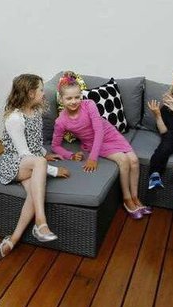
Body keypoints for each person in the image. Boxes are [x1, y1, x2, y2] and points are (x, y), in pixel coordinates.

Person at [51, 72, 151, 219]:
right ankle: (127, 199)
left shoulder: (89, 105)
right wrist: (70, 155)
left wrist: (92, 158)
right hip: (92, 143)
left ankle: (135, 197)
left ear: (81, 96)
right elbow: (55, 146)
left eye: (77, 97)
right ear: (61, 99)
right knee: (123, 160)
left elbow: (99, 130)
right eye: (69, 98)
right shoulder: (61, 121)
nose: (74, 101)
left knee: (134, 160)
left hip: (109, 134)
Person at [0, 74, 70, 261]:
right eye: (41, 90)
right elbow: (23, 154)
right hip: (14, 164)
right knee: (40, 164)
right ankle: (41, 223)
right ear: (30, 92)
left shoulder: (35, 111)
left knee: (34, 195)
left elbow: (34, 142)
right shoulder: (15, 118)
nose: (44, 93)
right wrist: (53, 169)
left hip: (30, 162)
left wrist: (44, 153)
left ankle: (12, 240)